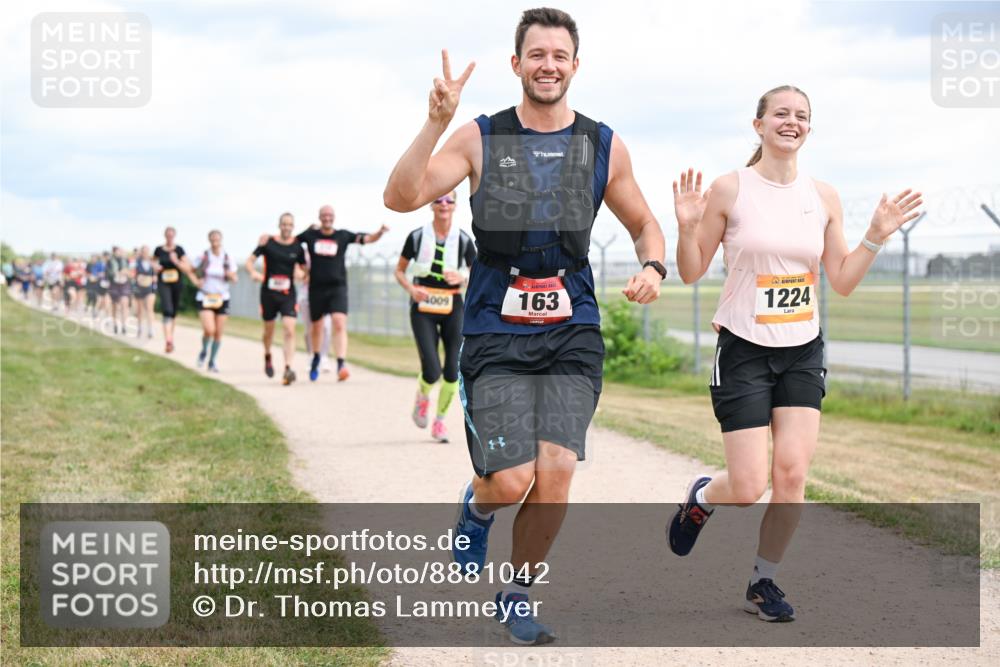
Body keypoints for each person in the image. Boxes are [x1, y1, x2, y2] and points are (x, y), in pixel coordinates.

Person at [384, 8, 666, 645]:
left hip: (573, 325)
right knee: (511, 480)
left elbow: (645, 222)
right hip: (493, 327)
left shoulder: (603, 143)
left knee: (557, 469)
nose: (549, 65)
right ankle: (478, 506)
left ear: (575, 64)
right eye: (536, 55)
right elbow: (400, 198)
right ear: (517, 65)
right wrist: (434, 123)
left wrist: (654, 263)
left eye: (560, 55)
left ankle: (517, 593)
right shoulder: (479, 137)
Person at [667, 85, 923, 622]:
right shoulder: (730, 188)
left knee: (791, 475)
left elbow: (844, 280)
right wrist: (687, 227)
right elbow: (691, 271)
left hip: (802, 348)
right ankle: (701, 499)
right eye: (781, 113)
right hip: (742, 348)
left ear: (809, 128)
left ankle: (764, 581)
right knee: (747, 486)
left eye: (801, 116)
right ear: (758, 125)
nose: (792, 122)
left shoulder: (823, 195)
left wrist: (874, 237)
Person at [394, 190, 477, 442]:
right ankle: (422, 396)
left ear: (455, 205)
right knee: (431, 370)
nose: (443, 204)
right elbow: (399, 271)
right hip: (423, 306)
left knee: (453, 371)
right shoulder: (417, 237)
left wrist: (463, 278)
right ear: (431, 205)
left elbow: (477, 274)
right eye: (438, 200)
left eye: (448, 200)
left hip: (453, 305)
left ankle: (440, 422)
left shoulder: (463, 239)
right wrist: (411, 288)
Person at [296, 205, 388, 382]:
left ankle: (341, 364)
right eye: (324, 215)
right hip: (316, 288)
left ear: (334, 217)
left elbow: (366, 239)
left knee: (339, 323)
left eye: (330, 215)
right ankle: (316, 357)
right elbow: (290, 241)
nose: (327, 218)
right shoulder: (310, 236)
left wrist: (380, 232)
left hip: (338, 288)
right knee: (317, 327)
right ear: (319, 217)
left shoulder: (342, 236)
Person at [247, 212, 308, 385]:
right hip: (268, 294)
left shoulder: (297, 247)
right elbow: (250, 261)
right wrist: (253, 273)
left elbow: (304, 270)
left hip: (288, 294)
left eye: (290, 225)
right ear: (279, 225)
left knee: (289, 329)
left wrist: (301, 274)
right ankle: (267, 355)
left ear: (293, 227)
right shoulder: (268, 243)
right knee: (269, 331)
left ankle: (288, 368)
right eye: (284, 224)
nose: (287, 227)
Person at [193, 230, 237, 372]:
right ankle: (204, 350)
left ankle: (212, 361)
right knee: (209, 330)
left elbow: (234, 277)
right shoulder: (204, 256)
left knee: (218, 332)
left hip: (222, 297)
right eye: (212, 240)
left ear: (221, 240)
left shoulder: (227, 257)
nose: (215, 242)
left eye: (217, 240)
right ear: (209, 240)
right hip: (205, 296)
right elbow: (190, 269)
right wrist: (196, 280)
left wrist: (231, 276)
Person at [154, 227, 195, 353]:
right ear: (165, 235)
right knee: (167, 309)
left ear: (174, 236)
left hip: (176, 283)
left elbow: (188, 268)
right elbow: (153, 263)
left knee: (173, 312)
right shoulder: (158, 250)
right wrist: (156, 267)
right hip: (163, 282)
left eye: (171, 235)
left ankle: (171, 336)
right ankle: (168, 340)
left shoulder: (179, 250)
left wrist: (176, 261)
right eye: (168, 235)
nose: (169, 237)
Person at [106, 246, 132, 334]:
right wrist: (116, 273)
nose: (119, 253)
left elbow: (131, 272)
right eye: (117, 251)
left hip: (124, 284)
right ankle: (115, 324)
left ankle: (124, 325)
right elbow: (108, 274)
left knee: (124, 303)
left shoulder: (126, 261)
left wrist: (126, 273)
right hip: (114, 284)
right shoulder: (110, 261)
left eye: (120, 251)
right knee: (115, 306)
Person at [134, 246, 157, 339]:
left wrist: (152, 278)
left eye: (147, 251)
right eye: (143, 251)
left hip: (150, 287)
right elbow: (132, 274)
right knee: (140, 309)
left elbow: (157, 275)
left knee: (149, 307)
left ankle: (151, 329)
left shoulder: (153, 263)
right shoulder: (136, 262)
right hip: (139, 288)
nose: (145, 253)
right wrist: (137, 277)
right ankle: (139, 328)